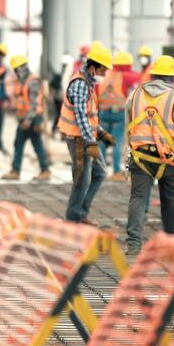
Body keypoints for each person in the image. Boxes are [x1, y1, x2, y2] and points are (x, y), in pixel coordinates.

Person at [124, 55, 174, 254]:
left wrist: (132, 149)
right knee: (170, 199)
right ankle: (171, 243)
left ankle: (134, 243)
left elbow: (128, 127)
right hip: (168, 158)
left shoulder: (134, 95)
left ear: (153, 75)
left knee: (137, 198)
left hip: (140, 156)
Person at [57, 42, 115, 225]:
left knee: (99, 174)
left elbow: (89, 118)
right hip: (79, 139)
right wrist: (90, 142)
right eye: (103, 70)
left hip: (85, 137)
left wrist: (101, 133)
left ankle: (80, 212)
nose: (104, 75)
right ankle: (74, 217)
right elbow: (80, 116)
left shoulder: (88, 83)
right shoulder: (81, 84)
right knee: (82, 178)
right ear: (92, 67)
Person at [1, 55, 50, 181]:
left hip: (32, 119)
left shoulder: (32, 81)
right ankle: (15, 170)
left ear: (22, 68)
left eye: (17, 69)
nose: (16, 72)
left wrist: (28, 120)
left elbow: (34, 104)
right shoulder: (22, 81)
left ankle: (45, 170)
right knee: (18, 144)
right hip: (24, 119)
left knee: (37, 144)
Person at [98, 51, 139, 180]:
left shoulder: (106, 75)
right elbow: (137, 84)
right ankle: (116, 171)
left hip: (104, 113)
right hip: (119, 114)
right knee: (116, 142)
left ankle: (100, 171)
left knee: (103, 143)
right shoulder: (126, 76)